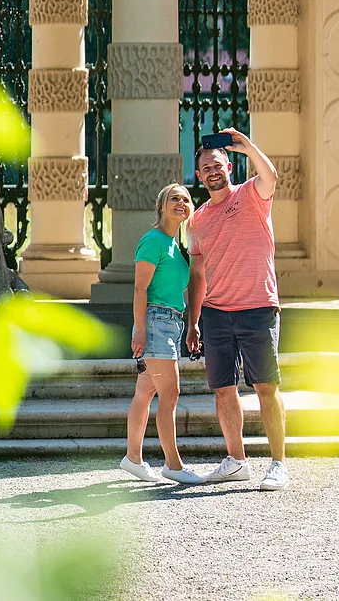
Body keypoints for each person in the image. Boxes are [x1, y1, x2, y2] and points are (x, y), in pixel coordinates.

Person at [186, 128, 288, 491]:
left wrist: (247, 146)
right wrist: (193, 322)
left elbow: (271, 176)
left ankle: (278, 464)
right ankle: (236, 461)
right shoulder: (196, 221)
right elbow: (197, 274)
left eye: (218, 165)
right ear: (199, 175)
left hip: (257, 306)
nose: (213, 172)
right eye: (206, 168)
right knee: (223, 390)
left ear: (228, 167)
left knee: (265, 387)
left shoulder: (251, 194)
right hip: (216, 314)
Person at [119, 182, 204, 485]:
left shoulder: (177, 247)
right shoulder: (153, 240)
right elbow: (139, 289)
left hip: (172, 322)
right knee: (171, 393)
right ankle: (173, 465)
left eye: (186, 199)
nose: (181, 203)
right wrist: (140, 331)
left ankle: (133, 458)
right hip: (155, 322)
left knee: (145, 393)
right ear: (161, 206)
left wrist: (191, 324)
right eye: (174, 198)